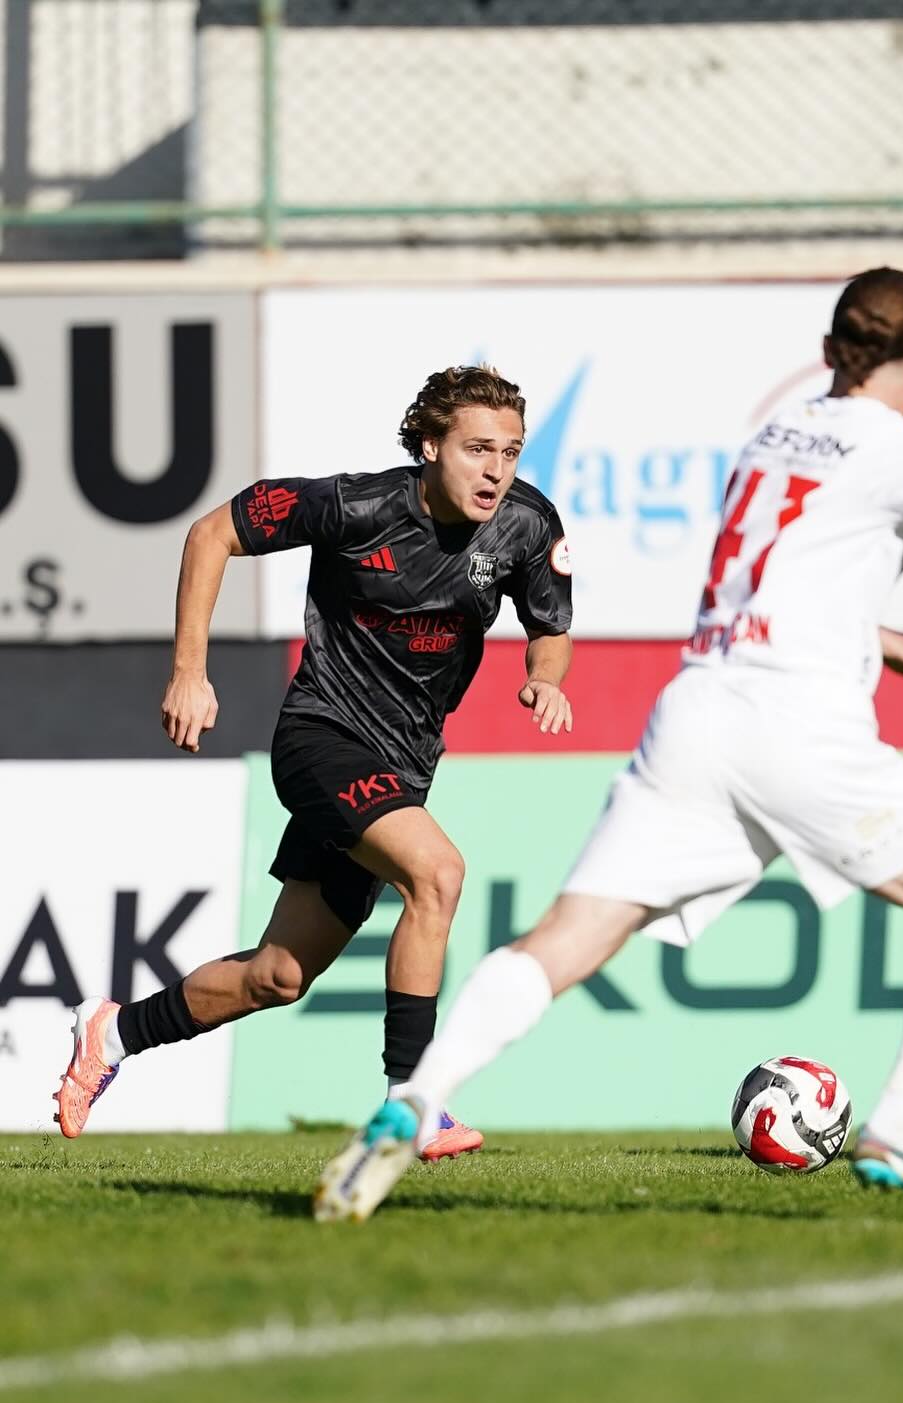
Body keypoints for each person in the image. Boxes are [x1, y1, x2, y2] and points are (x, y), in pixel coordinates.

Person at [311, 269, 903, 1222]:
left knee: (566, 939)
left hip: (697, 712)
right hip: (799, 721)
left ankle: (415, 1098)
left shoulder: (772, 439)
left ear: (829, 354)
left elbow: (782, 589)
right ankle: (902, 1127)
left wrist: (893, 647)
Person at [52, 365, 574, 1163]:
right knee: (436, 874)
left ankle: (113, 1033)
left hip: (403, 767)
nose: (495, 470)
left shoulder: (528, 526)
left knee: (277, 976)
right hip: (320, 738)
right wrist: (189, 672)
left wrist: (545, 678)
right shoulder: (354, 506)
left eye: (509, 452)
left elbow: (550, 627)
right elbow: (212, 534)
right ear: (430, 446)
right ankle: (412, 1102)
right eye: (477, 449)